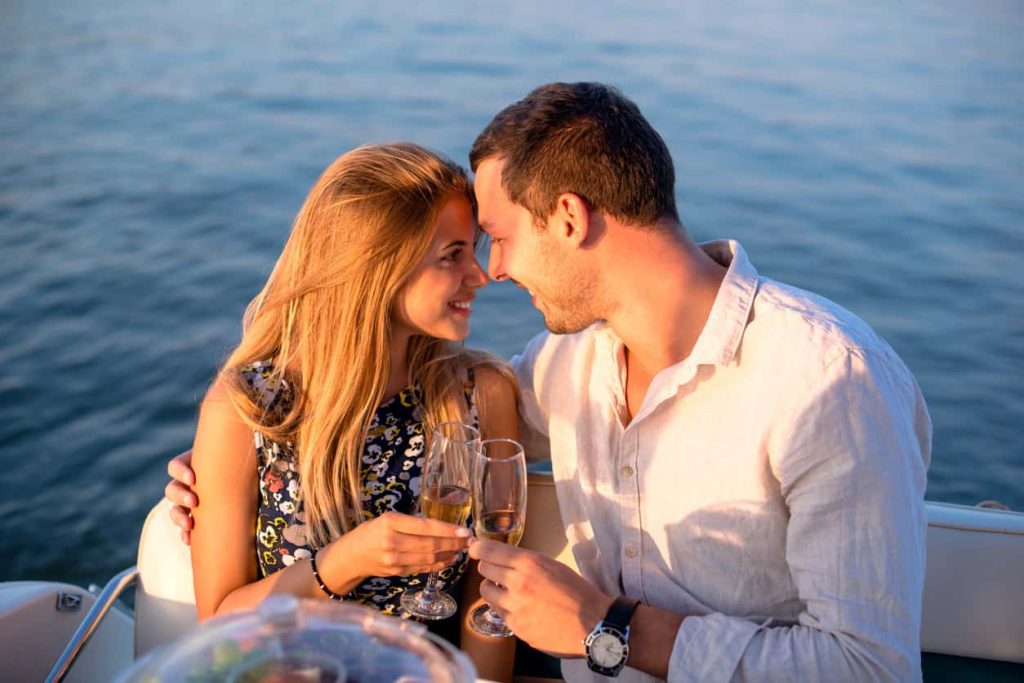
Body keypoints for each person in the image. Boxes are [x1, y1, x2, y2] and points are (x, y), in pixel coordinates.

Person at [168, 84, 931, 682]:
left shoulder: (829, 383)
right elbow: (397, 407)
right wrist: (209, 466)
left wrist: (610, 625)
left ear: (568, 218)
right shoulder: (568, 366)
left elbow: (871, 669)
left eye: (497, 239)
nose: (491, 271)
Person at [183, 142, 519, 681]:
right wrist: (344, 563)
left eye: (473, 250)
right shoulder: (245, 412)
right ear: (377, 269)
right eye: (452, 255)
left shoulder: (481, 394)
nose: (479, 276)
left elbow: (491, 602)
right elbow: (218, 628)